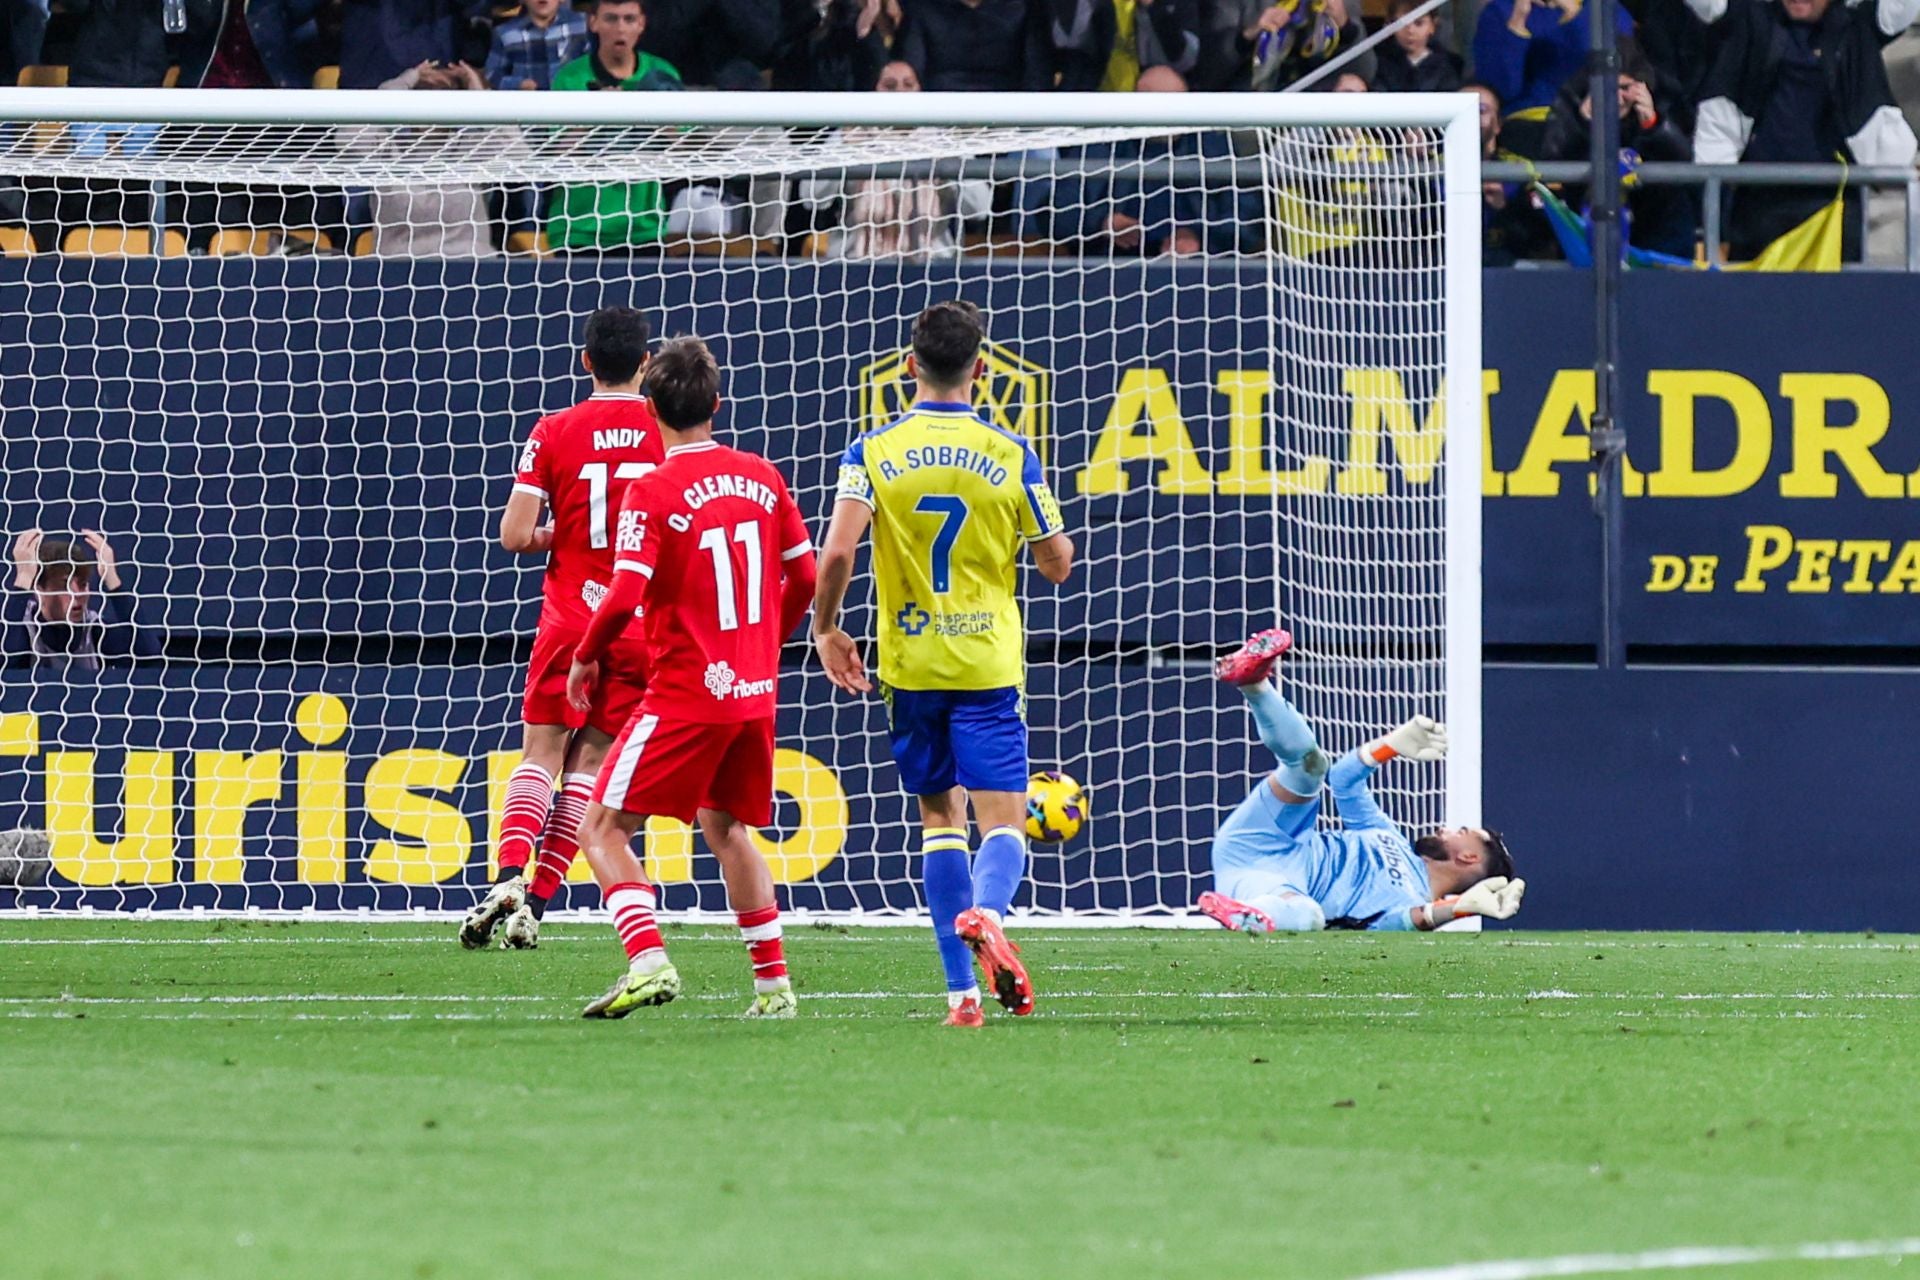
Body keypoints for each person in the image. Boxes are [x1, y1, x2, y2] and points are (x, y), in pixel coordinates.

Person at [812, 301, 1076, 1028]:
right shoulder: (1011, 452)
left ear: (909, 366)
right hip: (986, 662)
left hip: (910, 663)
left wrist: (826, 627)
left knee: (937, 820)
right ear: (982, 370)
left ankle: (962, 996)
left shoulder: (872, 450)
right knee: (1003, 824)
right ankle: (988, 914)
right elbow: (1058, 564)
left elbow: (836, 552)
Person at [567, 337, 818, 1020]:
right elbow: (806, 575)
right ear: (717, 403)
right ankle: (774, 990)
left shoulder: (651, 488)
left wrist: (586, 655)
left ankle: (647, 959)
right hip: (753, 692)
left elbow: (621, 597)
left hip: (685, 693)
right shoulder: (762, 475)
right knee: (726, 826)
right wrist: (769, 642)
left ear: (650, 407)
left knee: (601, 826)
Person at [458, 308, 663, 952]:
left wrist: (562, 533)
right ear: (645, 364)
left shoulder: (552, 430)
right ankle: (536, 908)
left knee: (541, 756)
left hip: (570, 617)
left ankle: (510, 874)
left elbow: (515, 534)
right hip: (635, 625)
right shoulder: (666, 435)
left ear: (585, 362)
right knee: (591, 767)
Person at [1198, 629, 1525, 933]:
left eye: (1462, 832)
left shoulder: (1409, 903)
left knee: (1309, 917)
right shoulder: (1389, 835)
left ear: (1469, 858)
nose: (1448, 829)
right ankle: (1253, 682)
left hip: (1275, 887)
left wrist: (1460, 910)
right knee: (1311, 767)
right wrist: (1391, 745)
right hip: (1268, 838)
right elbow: (1343, 780)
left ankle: (1249, 917)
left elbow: (1411, 921)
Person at [1689, 0, 1920, 262]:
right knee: (1756, 300)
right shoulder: (1750, 18)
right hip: (1758, 203)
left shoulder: (1857, 25)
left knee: (1836, 299)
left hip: (1836, 204)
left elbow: (1902, 6)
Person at [545, 0, 685, 255]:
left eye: (629, 19)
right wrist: (598, 113)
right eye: (611, 19)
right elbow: (557, 154)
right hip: (579, 232)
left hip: (643, 231)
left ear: (641, 24)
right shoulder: (569, 78)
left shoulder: (662, 75)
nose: (620, 28)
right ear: (593, 23)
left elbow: (685, 150)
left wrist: (649, 112)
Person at [1539, 40, 1695, 261]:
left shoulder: (1664, 95)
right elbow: (1553, 158)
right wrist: (1583, 124)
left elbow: (1685, 161)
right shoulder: (1573, 97)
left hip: (1658, 219)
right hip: (1590, 220)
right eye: (1608, 88)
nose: (1617, 98)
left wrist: (1654, 125)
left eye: (1624, 89)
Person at [1473, 0, 1634, 156]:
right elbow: (1500, 89)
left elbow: (1614, 69)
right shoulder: (1500, 10)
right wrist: (1517, 23)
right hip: (1526, 130)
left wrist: (1574, 14)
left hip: (1593, 126)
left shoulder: (1607, 10)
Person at [3, 530, 161, 673]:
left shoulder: (94, 630)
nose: (77, 594)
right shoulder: (22, 630)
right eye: (65, 586)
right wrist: (23, 578)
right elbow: (4, 663)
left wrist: (113, 581)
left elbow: (150, 656)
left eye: (83, 584)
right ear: (39, 590)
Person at [895, 0, 1055, 92]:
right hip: (940, 115)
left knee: (1041, 152)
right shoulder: (921, 7)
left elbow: (1038, 75)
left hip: (1010, 116)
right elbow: (912, 71)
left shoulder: (1026, 7)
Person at [1050, 0, 1200, 93]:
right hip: (1090, 99)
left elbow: (1186, 59)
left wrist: (1154, 8)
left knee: (1164, 81)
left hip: (1146, 109)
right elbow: (1065, 39)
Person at [483, 0, 589, 89]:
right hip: (528, 108)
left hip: (573, 106)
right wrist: (518, 84)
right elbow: (492, 74)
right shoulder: (505, 33)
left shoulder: (582, 26)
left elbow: (596, 63)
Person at [1370, 0, 1462, 94]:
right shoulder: (1380, 63)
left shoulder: (1447, 65)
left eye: (1418, 23)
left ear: (1433, 26)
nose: (1410, 31)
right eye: (1401, 24)